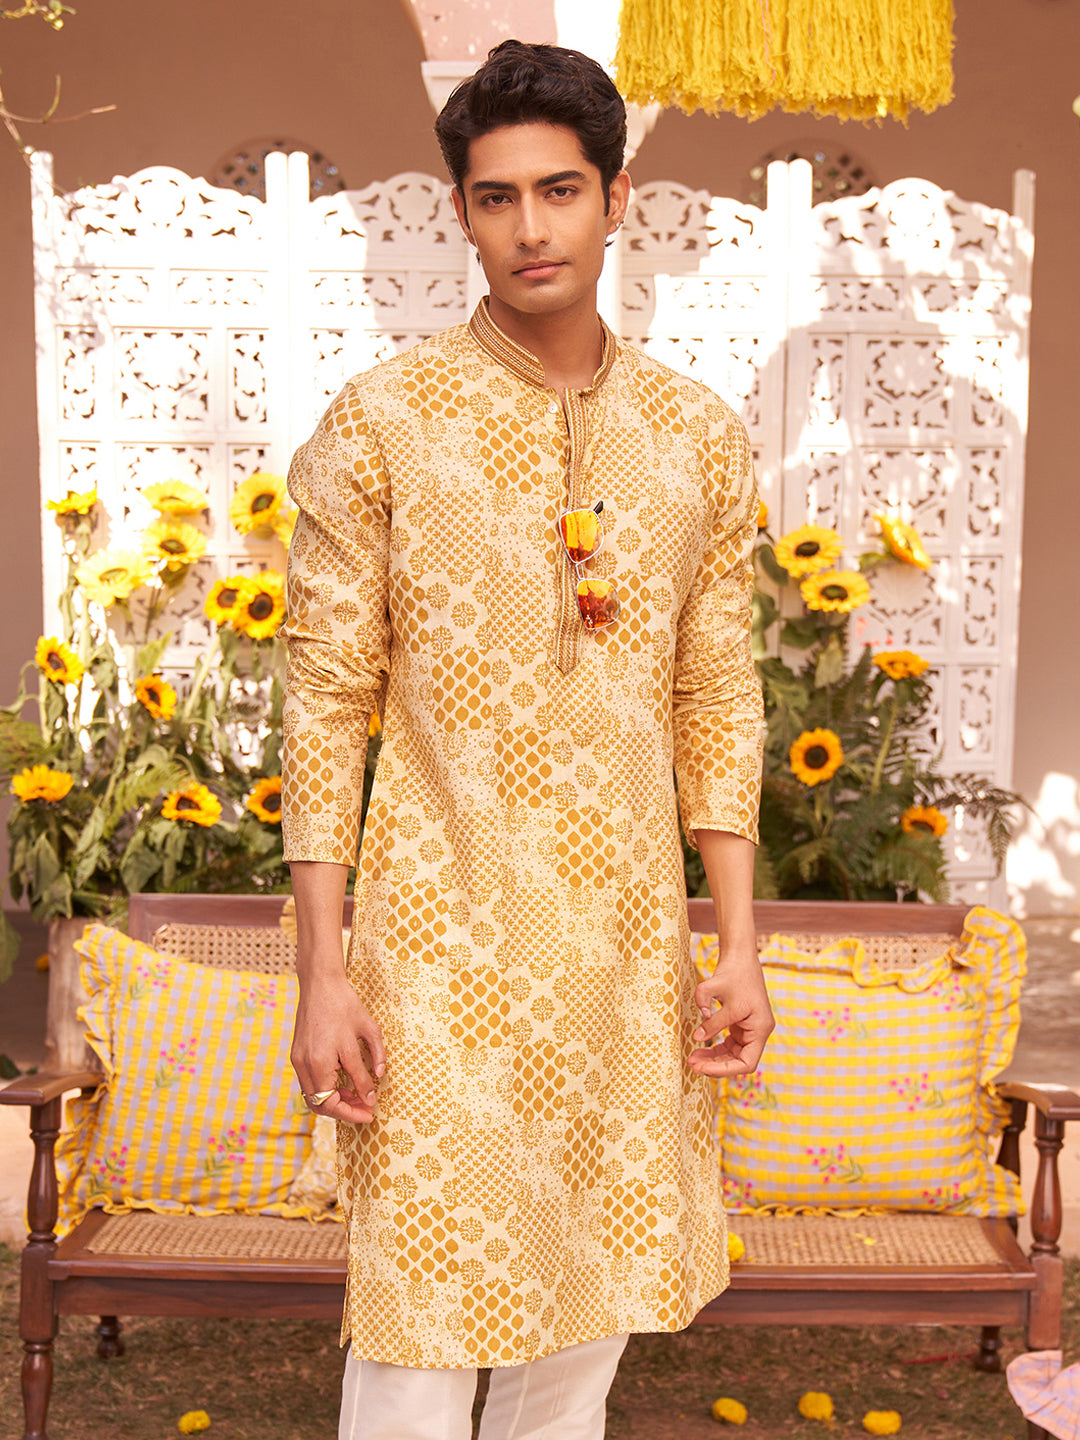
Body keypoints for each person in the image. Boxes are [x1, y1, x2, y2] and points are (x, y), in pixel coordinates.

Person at [280, 38, 773, 1440]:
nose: (530, 227)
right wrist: (323, 970)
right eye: (496, 198)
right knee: (420, 1324)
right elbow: (324, 705)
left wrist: (734, 941)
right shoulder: (384, 424)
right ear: (461, 214)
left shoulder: (695, 436)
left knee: (584, 1326)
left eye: (560, 191)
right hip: (437, 948)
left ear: (618, 201)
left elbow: (717, 694)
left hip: (623, 953)